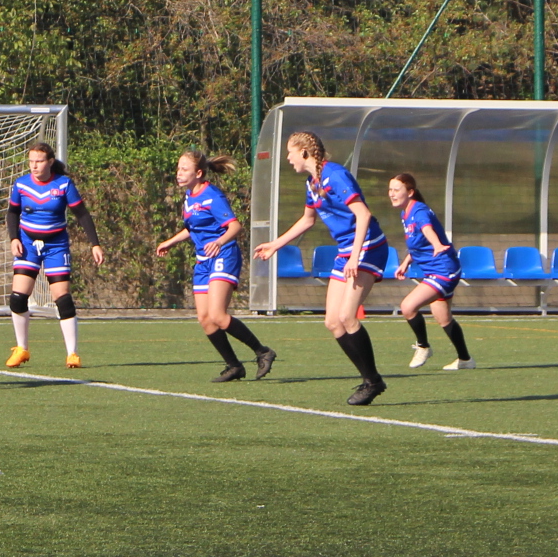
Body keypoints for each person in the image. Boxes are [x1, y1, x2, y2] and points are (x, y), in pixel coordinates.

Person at [254, 130, 391, 406]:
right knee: (332, 322)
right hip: (346, 251)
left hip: (368, 247)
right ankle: (371, 380)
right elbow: (308, 220)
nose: (288, 158)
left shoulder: (335, 175)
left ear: (304, 152)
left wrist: (354, 257)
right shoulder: (312, 182)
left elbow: (363, 214)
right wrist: (275, 244)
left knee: (348, 317)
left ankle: (372, 381)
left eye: (290, 152)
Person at [153, 150, 274, 382]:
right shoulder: (189, 196)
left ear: (198, 173)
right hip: (203, 260)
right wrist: (170, 241)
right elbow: (193, 228)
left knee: (218, 315)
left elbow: (235, 226)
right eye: (178, 168)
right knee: (205, 319)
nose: (179, 173)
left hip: (223, 255)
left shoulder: (212, 195)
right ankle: (234, 366)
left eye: (184, 169)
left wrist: (218, 242)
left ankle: (262, 351)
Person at [5, 142, 104, 369]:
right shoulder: (21, 184)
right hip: (28, 245)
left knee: (62, 298)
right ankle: (21, 348)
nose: (34, 166)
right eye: (31, 161)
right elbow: (12, 212)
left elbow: (82, 214)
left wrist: (95, 244)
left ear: (50, 162)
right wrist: (14, 238)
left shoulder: (63, 184)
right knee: (18, 297)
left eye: (39, 161)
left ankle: (72, 354)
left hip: (56, 246)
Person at [387, 172, 473, 372]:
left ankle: (423, 346)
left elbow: (427, 229)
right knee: (443, 317)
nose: (391, 193)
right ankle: (465, 359)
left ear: (410, 192)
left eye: (396, 190)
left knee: (408, 307)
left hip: (444, 270)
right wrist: (406, 262)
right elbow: (417, 242)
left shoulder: (419, 211)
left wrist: (437, 244)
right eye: (390, 190)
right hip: (435, 270)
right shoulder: (405, 213)